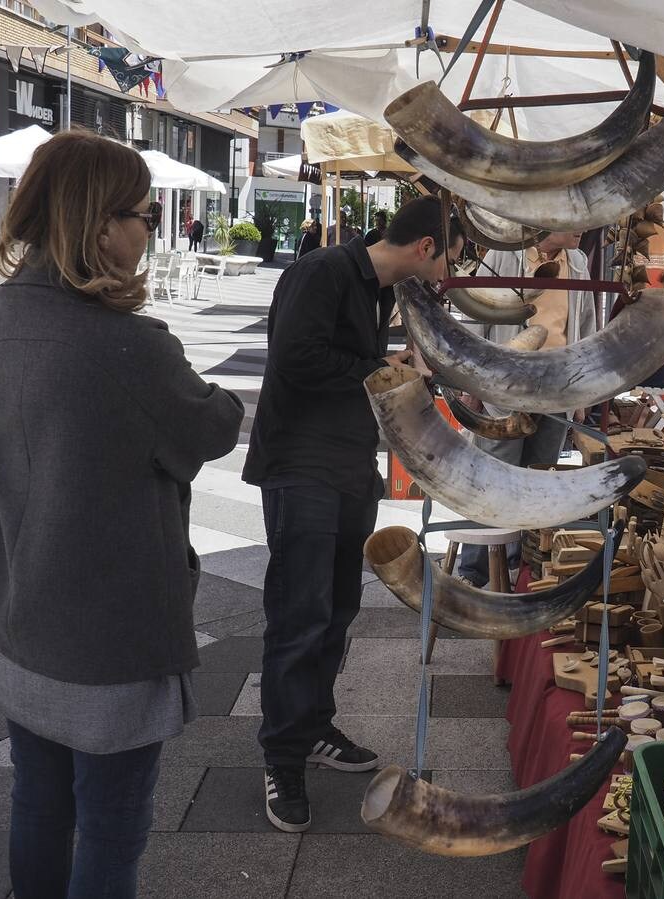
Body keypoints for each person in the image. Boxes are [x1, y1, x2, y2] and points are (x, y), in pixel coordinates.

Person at [0, 130, 244, 899]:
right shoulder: (127, 347)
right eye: (146, 216)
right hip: (106, 637)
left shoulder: (2, 314)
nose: (150, 231)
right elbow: (211, 427)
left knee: (37, 801)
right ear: (102, 226)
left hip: (18, 610)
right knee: (111, 827)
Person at [242, 195, 464, 834]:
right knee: (299, 615)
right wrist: (380, 366)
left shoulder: (376, 288)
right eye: (450, 256)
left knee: (335, 609)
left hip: (343, 469)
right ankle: (281, 756)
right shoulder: (321, 272)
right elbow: (296, 358)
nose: (450, 271)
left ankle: (312, 726)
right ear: (425, 247)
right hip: (299, 468)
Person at [455, 231, 598, 587]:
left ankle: (523, 564)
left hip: (557, 387)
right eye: (572, 222)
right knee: (496, 474)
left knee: (539, 477)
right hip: (506, 385)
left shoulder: (577, 264)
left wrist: (581, 395)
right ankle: (476, 569)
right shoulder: (505, 257)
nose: (582, 229)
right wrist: (473, 384)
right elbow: (477, 318)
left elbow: (585, 328)